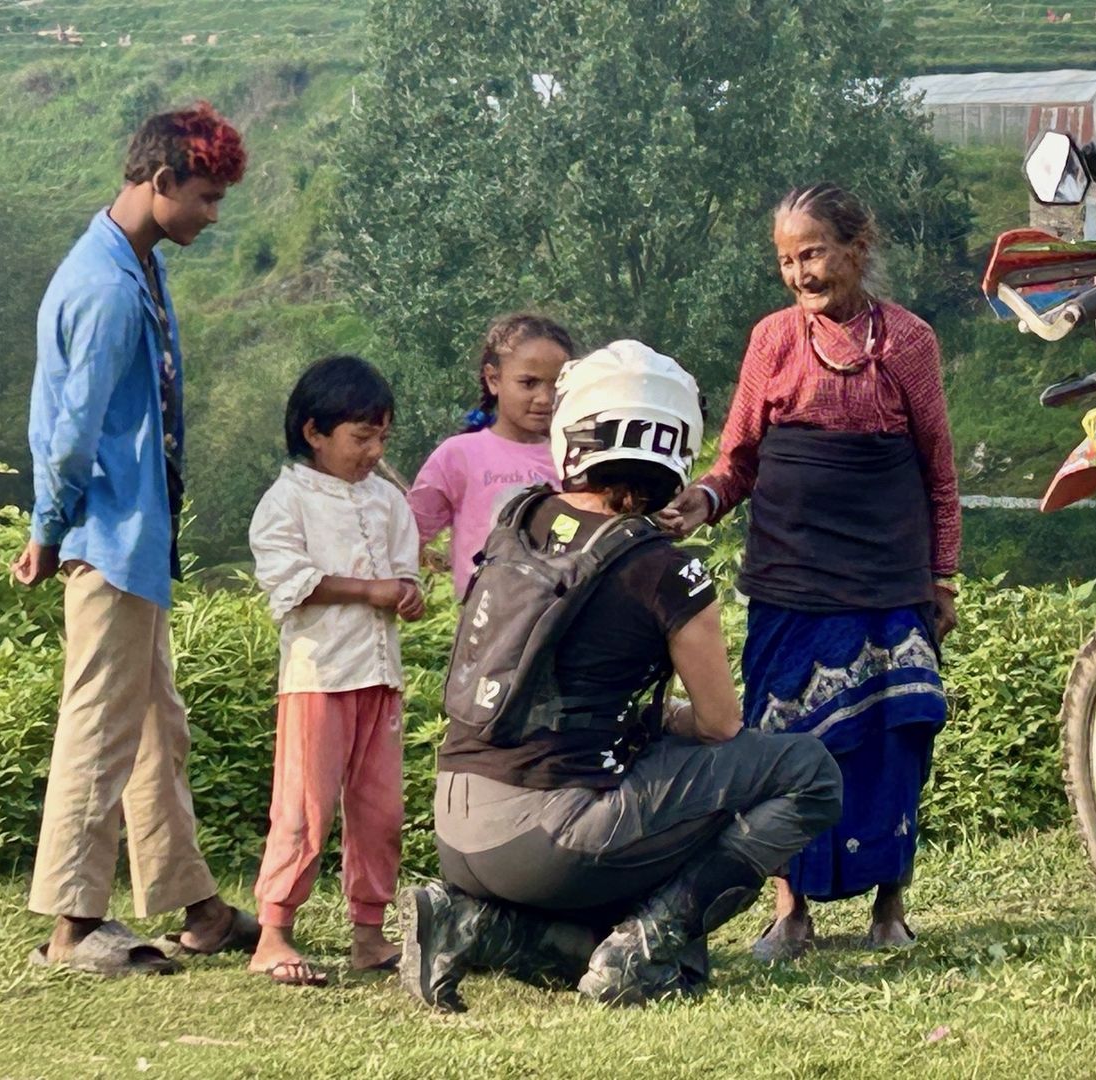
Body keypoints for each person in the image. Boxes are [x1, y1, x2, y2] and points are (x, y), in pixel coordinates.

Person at [398, 341, 842, 1011]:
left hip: (460, 828)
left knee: (635, 807)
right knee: (808, 769)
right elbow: (721, 723)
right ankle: (650, 945)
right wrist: (665, 723)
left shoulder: (518, 521)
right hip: (551, 841)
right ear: (677, 446)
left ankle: (470, 924)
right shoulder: (667, 571)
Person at [659, 183, 959, 960]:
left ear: (857, 248)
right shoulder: (772, 342)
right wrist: (703, 501)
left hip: (889, 577)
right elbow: (740, 459)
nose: (800, 273)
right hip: (792, 575)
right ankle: (789, 910)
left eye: (813, 253)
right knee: (784, 734)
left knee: (896, 736)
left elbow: (939, 473)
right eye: (787, 260)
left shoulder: (909, 342)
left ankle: (890, 906)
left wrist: (943, 577)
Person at [12, 103, 256, 974]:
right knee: (102, 724)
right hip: (106, 536)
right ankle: (73, 928)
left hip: (134, 538)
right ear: (160, 183)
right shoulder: (109, 288)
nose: (213, 216)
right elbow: (71, 434)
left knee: (156, 722)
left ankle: (201, 908)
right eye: (206, 197)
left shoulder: (134, 265)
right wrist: (48, 527)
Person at [246, 355, 424, 986]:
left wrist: (405, 593)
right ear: (314, 432)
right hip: (317, 676)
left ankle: (368, 934)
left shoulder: (387, 502)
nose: (373, 451)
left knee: (380, 811)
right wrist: (368, 591)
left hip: (379, 676)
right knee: (304, 806)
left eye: (381, 437)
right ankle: (274, 931)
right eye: (360, 437)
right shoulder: (287, 499)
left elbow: (406, 576)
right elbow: (288, 581)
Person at [406, 313, 572, 597]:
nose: (545, 398)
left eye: (556, 385)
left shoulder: (576, 457)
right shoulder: (460, 456)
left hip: (564, 625)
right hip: (485, 629)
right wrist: (401, 586)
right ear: (494, 379)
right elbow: (406, 536)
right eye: (529, 383)